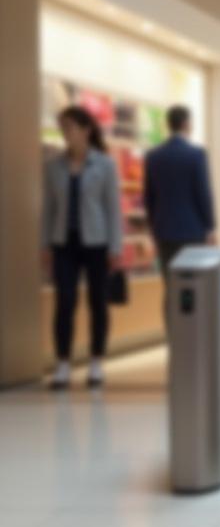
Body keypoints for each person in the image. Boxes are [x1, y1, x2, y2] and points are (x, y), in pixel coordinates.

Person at [41, 106, 123, 389]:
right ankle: (63, 364)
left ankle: (96, 362)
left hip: (97, 243)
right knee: (65, 302)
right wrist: (45, 245)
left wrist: (116, 247)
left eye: (70, 128)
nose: (65, 134)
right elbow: (48, 209)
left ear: (86, 129)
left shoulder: (105, 165)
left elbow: (113, 209)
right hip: (64, 243)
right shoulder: (53, 166)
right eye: (62, 129)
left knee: (97, 303)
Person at [144, 105, 217, 299]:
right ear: (186, 124)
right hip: (192, 231)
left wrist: (154, 226)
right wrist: (210, 226)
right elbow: (203, 193)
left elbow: (149, 197)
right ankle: (191, 329)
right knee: (192, 284)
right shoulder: (196, 154)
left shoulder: (153, 156)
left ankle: (173, 328)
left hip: (164, 231)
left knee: (170, 286)